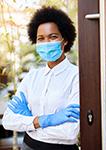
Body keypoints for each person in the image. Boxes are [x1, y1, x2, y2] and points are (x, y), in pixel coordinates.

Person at [2, 6, 80, 150]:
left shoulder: (77, 77)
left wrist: (28, 122)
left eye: (53, 36)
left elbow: (70, 133)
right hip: (27, 146)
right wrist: (44, 120)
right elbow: (7, 121)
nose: (46, 43)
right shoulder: (32, 77)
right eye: (41, 38)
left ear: (65, 40)